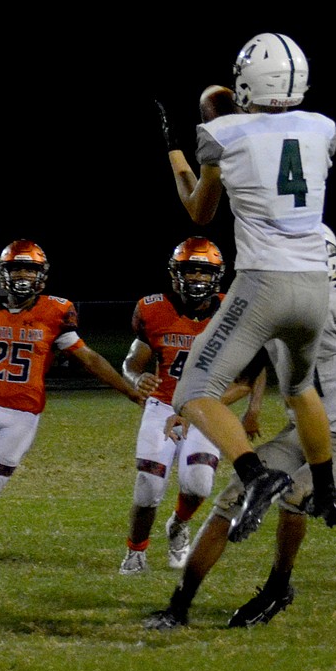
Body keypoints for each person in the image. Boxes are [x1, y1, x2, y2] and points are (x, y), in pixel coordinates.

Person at [145, 223, 336, 631]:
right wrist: (197, 406)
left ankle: (277, 587)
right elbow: (245, 378)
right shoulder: (270, 304)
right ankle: (179, 604)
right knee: (231, 499)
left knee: (297, 496)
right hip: (296, 432)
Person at [156, 32, 336, 549]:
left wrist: (178, 155)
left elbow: (201, 211)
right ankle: (326, 488)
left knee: (193, 390)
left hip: (264, 283)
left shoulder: (225, 134)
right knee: (300, 388)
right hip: (314, 287)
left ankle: (256, 474)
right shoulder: (323, 128)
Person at [0, 239, 145, 560]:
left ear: (41, 275)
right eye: (16, 268)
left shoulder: (55, 311)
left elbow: (88, 358)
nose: (22, 275)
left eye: (29, 269)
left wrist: (129, 389)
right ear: (4, 273)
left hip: (23, 416)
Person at [118, 236, 257, 575]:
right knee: (148, 486)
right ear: (175, 273)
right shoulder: (152, 309)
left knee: (198, 486)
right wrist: (136, 379)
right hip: (163, 406)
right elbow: (133, 362)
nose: (196, 279)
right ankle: (135, 552)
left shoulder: (232, 311)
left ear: (217, 276)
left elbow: (248, 377)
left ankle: (179, 524)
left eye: (204, 272)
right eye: (190, 271)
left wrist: (202, 405)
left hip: (209, 409)